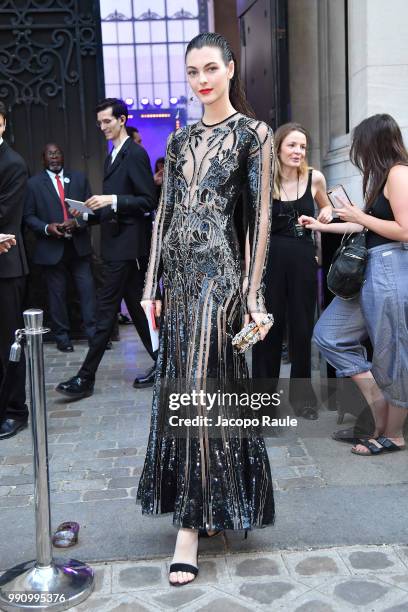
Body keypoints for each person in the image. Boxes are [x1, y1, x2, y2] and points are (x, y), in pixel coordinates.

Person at [137, 33, 275, 586]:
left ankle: (189, 529)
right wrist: (151, 283)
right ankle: (211, 500)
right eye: (192, 71)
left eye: (211, 68)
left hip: (220, 282)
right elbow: (163, 215)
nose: (201, 80)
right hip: (179, 283)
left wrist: (253, 295)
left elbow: (260, 220)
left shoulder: (253, 134)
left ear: (231, 68)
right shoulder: (179, 140)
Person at [302, 113, 408, 455]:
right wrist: (321, 227)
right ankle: (378, 402)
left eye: (360, 143)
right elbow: (366, 227)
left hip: (391, 268)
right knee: (329, 334)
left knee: (393, 353)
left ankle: (392, 434)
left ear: (374, 142)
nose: (357, 151)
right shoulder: (382, 177)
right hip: (373, 270)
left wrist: (358, 215)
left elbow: (405, 230)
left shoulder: (399, 173)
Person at [56, 98, 157, 399]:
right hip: (117, 246)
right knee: (139, 313)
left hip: (127, 249)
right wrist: (85, 217)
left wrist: (111, 200)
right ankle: (165, 365)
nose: (102, 127)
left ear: (122, 120)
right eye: (99, 122)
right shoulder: (111, 155)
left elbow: (147, 202)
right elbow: (114, 207)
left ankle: (86, 377)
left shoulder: (135, 154)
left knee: (104, 313)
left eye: (107, 121)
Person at [252, 123, 332, 420]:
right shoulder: (261, 180)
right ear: (278, 147)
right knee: (267, 329)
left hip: (302, 259)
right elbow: (253, 228)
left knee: (301, 328)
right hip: (269, 260)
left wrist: (325, 213)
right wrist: (250, 271)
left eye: (303, 147)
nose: (298, 151)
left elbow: (328, 210)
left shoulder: (315, 178)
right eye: (292, 145)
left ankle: (303, 400)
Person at [24, 143, 96, 352]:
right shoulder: (33, 184)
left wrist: (77, 223)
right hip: (51, 248)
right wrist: (47, 227)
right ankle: (62, 338)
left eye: (57, 153)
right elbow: (28, 216)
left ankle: (94, 336)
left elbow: (90, 212)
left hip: (78, 246)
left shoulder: (79, 178)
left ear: (62, 157)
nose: (54, 157)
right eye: (50, 154)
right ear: (43, 159)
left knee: (87, 292)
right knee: (56, 295)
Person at [0, 101, 29, 440]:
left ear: (3, 124)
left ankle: (16, 411)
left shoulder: (13, 163)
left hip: (6, 266)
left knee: (9, 344)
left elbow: (6, 216)